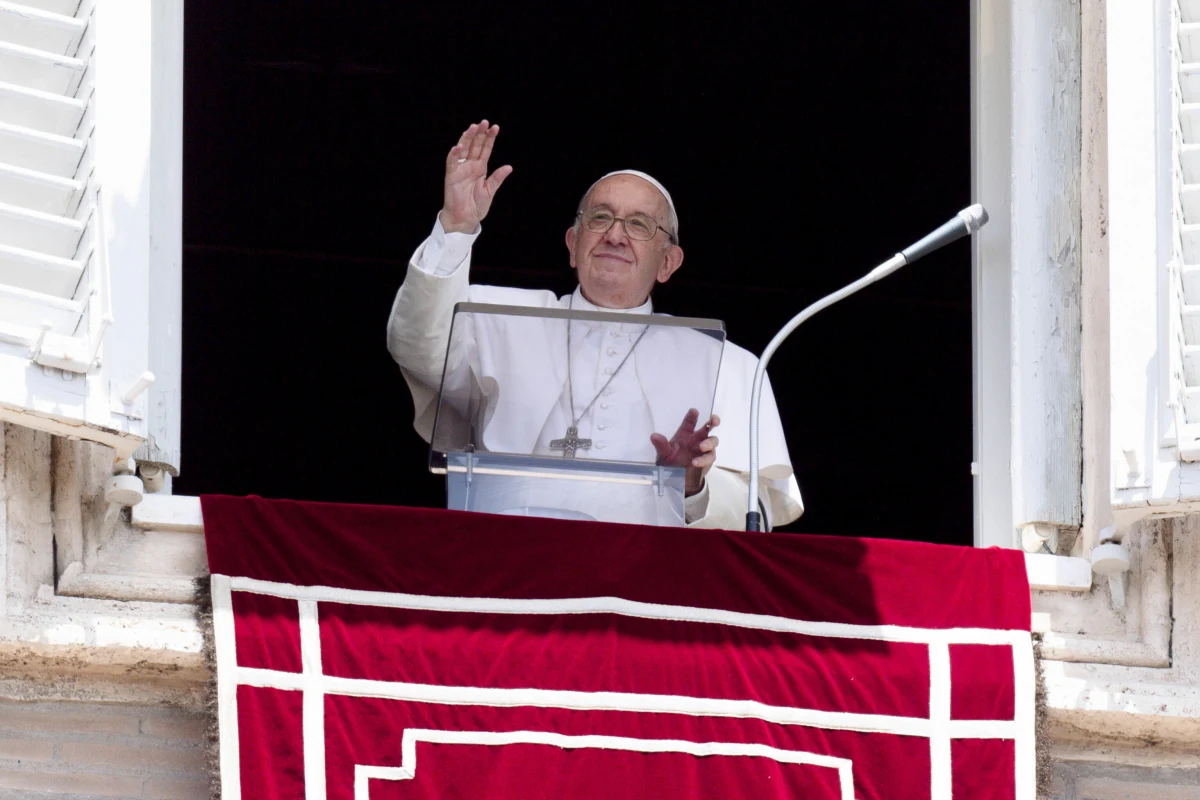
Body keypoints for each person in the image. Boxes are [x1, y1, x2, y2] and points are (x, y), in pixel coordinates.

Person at [388, 120, 802, 530]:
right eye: (600, 218)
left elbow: (757, 517)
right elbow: (417, 346)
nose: (615, 236)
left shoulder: (726, 364)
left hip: (643, 566)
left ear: (668, 263)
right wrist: (456, 227)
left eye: (639, 224)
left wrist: (692, 485)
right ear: (573, 245)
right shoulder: (496, 316)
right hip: (507, 554)